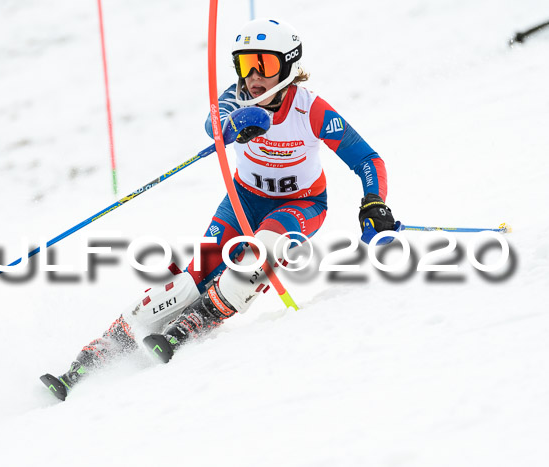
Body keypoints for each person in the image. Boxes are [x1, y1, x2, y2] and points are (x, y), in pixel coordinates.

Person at [40, 18, 398, 401]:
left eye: (266, 64)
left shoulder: (310, 109)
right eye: (246, 65)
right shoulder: (237, 97)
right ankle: (98, 353)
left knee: (255, 256)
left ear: (289, 66)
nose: (255, 76)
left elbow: (367, 159)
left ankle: (192, 324)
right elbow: (215, 125)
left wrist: (374, 202)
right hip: (243, 198)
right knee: (186, 280)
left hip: (301, 204)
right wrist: (233, 125)